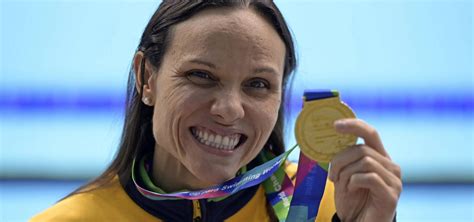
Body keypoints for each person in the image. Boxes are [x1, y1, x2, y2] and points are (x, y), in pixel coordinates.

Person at [31, 1, 402, 221]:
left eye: (258, 84)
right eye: (201, 76)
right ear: (147, 79)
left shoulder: (326, 207)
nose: (228, 110)